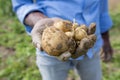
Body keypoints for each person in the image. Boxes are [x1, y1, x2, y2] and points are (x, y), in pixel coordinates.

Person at [11, 0, 113, 80]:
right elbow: (21, 3)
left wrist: (105, 38)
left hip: (91, 45)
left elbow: (102, 6)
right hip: (51, 48)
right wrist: (40, 20)